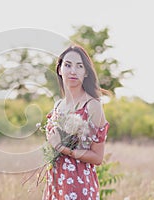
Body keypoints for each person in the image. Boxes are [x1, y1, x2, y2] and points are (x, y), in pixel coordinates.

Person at [42, 44, 110, 200]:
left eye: (79, 66)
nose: (73, 71)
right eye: (67, 65)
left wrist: (62, 147)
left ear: (86, 72)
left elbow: (98, 157)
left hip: (78, 186)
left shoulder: (92, 105)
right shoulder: (58, 105)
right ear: (59, 69)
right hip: (55, 182)